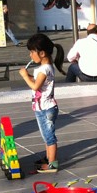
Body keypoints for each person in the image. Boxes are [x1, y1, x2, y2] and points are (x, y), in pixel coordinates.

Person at [18, 34, 66, 174]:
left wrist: (25, 76)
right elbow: (39, 81)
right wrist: (30, 76)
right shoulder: (46, 67)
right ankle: (48, 158)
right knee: (46, 135)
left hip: (46, 109)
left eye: (32, 51)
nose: (30, 55)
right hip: (44, 107)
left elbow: (35, 86)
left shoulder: (44, 69)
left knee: (49, 137)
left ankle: (52, 164)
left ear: (42, 53)